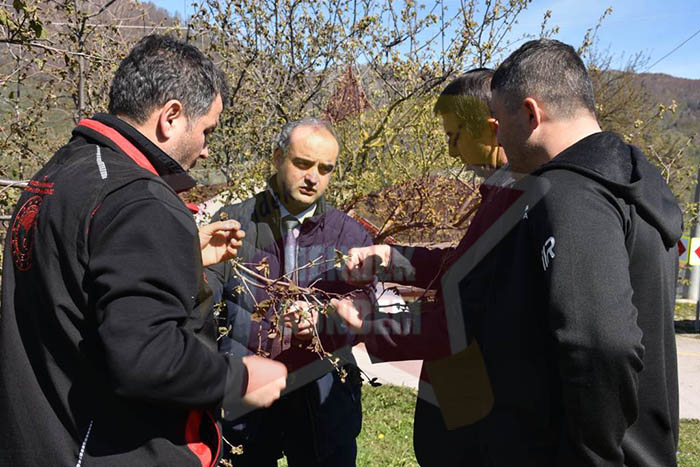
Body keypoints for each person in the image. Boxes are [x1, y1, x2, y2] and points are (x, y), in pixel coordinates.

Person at [337, 39, 682, 466]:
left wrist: (593, 458)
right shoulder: (630, 184)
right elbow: (485, 278)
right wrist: (396, 261)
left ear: (531, 115)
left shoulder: (571, 195)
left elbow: (600, 345)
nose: (497, 134)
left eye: (499, 121)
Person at [0, 34, 287, 467]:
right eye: (206, 130)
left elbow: (76, 291)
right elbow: (147, 356)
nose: (206, 149)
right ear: (171, 116)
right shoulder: (141, 200)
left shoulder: (58, 175)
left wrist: (183, 255)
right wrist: (240, 376)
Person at [334, 68, 515, 465]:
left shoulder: (514, 202)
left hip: (479, 425)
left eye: (454, 137)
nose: (451, 153)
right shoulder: (499, 194)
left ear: (490, 129)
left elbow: (454, 323)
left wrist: (366, 324)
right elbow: (462, 265)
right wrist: (389, 258)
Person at [205, 118, 372, 466]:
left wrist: (326, 321)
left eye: (325, 169)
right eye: (303, 163)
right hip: (245, 403)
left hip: (322, 404)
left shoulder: (350, 236)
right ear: (278, 157)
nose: (313, 177)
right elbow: (202, 299)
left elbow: (366, 308)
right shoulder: (235, 223)